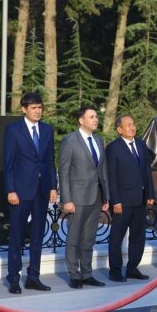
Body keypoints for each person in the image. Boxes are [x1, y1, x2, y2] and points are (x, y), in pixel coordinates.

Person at [3, 92, 56, 294]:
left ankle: (33, 276)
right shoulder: (13, 130)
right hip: (20, 190)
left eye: (40, 107)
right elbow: (8, 163)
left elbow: (50, 161)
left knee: (37, 236)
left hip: (41, 191)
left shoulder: (47, 130)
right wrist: (11, 190)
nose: (38, 111)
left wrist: (53, 186)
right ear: (24, 109)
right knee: (16, 235)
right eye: (34, 108)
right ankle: (14, 278)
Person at [58, 106, 110, 289]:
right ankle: (74, 274)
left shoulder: (98, 139)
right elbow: (63, 172)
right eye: (92, 117)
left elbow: (102, 170)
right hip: (77, 198)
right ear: (81, 120)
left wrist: (106, 197)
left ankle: (87, 273)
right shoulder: (70, 141)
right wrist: (67, 200)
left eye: (96, 117)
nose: (96, 120)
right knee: (74, 238)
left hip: (96, 197)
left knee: (89, 238)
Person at [105, 115, 155, 282]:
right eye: (128, 125)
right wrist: (116, 201)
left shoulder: (140, 144)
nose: (132, 127)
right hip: (123, 202)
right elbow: (112, 176)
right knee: (117, 237)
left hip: (140, 200)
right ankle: (115, 271)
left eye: (133, 124)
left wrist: (150, 194)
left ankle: (132, 268)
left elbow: (147, 171)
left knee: (138, 237)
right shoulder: (113, 148)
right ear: (119, 129)